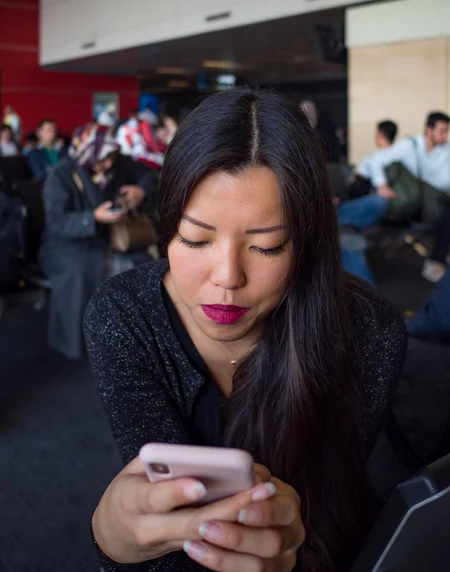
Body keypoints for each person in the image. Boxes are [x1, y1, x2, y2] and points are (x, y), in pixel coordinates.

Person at [84, 90, 406, 572]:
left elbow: (338, 509)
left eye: (268, 247)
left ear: (306, 244)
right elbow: (176, 528)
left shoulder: (370, 331)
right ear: (167, 230)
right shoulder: (124, 316)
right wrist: (113, 544)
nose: (227, 277)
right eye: (195, 239)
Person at [40, 124, 158, 360]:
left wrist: (141, 191)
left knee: (143, 264)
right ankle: (84, 342)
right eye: (102, 160)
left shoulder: (121, 163)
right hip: (69, 245)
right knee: (82, 271)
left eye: (110, 157)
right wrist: (92, 218)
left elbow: (148, 176)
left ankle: (134, 336)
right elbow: (57, 222)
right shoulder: (61, 175)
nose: (109, 164)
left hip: (109, 239)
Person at [367, 112, 450, 199]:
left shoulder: (446, 149)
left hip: (440, 198)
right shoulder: (409, 145)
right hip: (414, 200)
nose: (445, 136)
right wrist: (382, 186)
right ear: (428, 130)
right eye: (442, 131)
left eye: (446, 131)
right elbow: (376, 160)